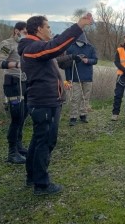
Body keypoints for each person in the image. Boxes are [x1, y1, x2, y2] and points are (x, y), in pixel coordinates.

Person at [17, 14, 93, 195]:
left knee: (37, 141)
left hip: (46, 102)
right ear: (39, 29)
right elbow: (55, 47)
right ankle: (42, 184)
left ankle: (32, 177)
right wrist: (78, 26)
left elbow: (56, 55)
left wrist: (71, 58)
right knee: (45, 142)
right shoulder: (32, 47)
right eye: (48, 27)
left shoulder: (34, 47)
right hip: (44, 103)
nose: (50, 30)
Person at [0, 22, 28, 164]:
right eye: (24, 32)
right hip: (12, 83)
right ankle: (12, 153)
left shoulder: (25, 44)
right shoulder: (7, 44)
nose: (26, 34)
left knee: (23, 116)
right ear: (16, 31)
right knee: (16, 118)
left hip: (25, 82)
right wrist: (16, 64)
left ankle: (19, 146)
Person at [63, 32, 98, 126]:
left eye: (82, 41)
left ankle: (83, 115)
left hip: (87, 77)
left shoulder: (90, 47)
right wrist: (68, 78)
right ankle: (73, 117)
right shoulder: (70, 48)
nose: (80, 42)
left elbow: (95, 60)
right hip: (74, 77)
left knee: (85, 97)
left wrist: (88, 60)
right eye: (78, 41)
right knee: (75, 98)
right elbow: (66, 64)